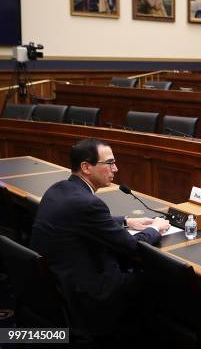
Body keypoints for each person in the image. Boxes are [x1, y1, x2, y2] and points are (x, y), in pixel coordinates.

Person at [30, 138, 170, 341]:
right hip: (88, 295)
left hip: (58, 284)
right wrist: (156, 228)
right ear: (86, 167)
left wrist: (126, 221)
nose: (116, 168)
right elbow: (132, 246)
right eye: (109, 163)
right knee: (160, 279)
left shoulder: (58, 189)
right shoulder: (88, 204)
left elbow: (82, 219)